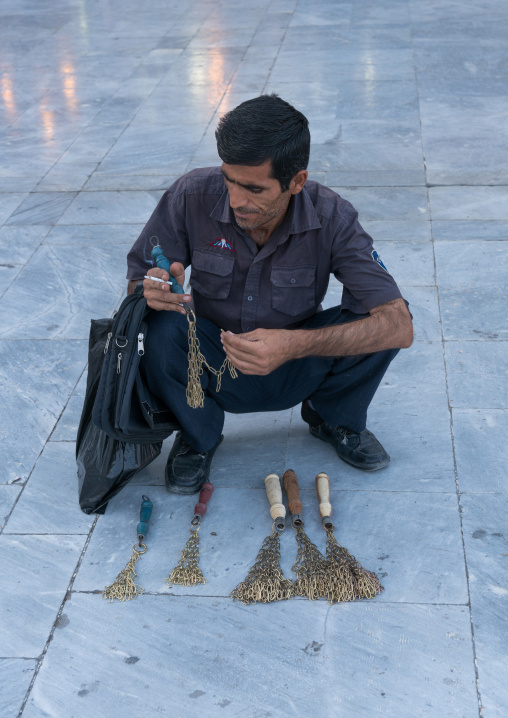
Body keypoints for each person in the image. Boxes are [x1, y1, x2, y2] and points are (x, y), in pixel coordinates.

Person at [126, 94, 413, 495]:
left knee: (380, 321)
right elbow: (138, 282)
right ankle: (197, 435)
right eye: (228, 180)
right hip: (211, 361)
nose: (235, 200)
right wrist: (151, 289)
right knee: (155, 324)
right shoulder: (191, 195)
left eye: (254, 189)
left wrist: (293, 345)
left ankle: (335, 418)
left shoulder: (332, 216)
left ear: (297, 181)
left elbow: (399, 326)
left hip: (298, 364)